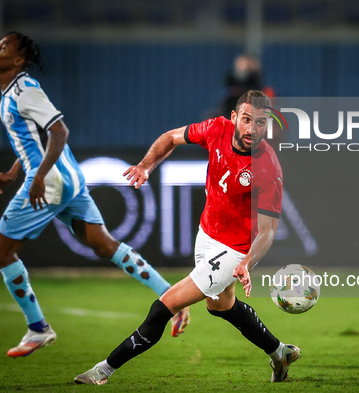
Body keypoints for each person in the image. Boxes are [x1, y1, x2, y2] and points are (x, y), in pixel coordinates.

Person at [74, 90, 300, 385]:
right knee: (220, 306)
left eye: (260, 123)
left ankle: (102, 371)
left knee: (164, 306)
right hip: (206, 233)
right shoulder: (216, 128)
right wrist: (146, 165)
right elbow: (169, 137)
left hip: (234, 250)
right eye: (246, 120)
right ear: (234, 118)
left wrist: (246, 262)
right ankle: (280, 353)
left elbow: (268, 231)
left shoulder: (267, 167)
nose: (252, 129)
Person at [0, 32, 190, 358]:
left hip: (51, 182)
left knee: (1, 252)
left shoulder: (24, 91)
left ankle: (38, 328)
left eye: (3, 47)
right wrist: (13, 173)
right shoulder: (15, 92)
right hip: (69, 179)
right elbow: (38, 140)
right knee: (104, 245)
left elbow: (59, 131)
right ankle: (173, 298)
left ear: (19, 59)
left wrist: (37, 178)